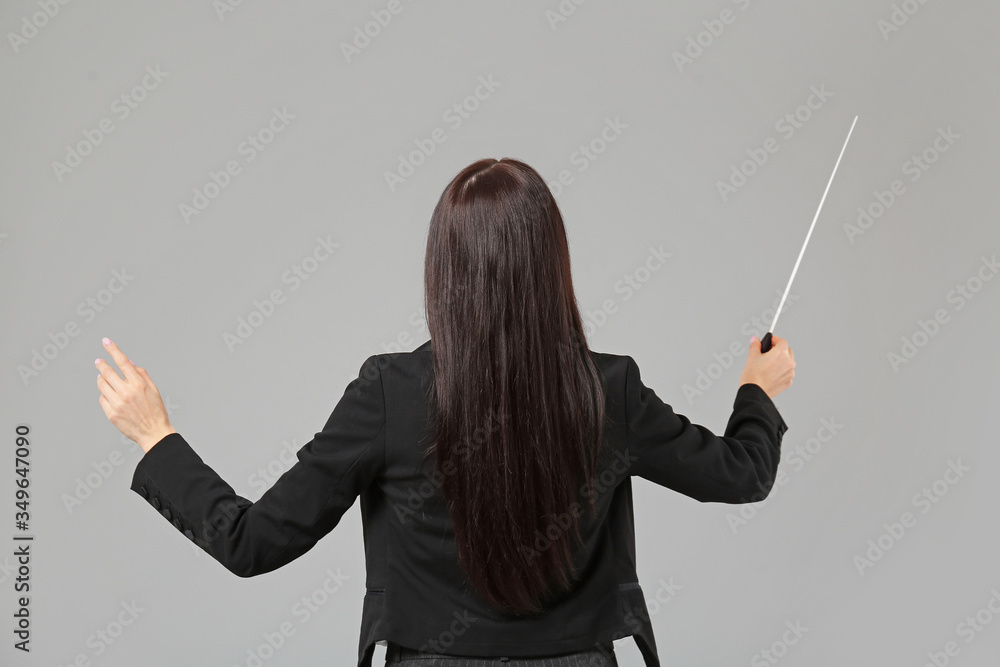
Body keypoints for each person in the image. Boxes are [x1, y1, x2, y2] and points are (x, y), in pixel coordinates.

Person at [95, 157, 794, 667]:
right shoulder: (607, 389)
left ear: (443, 269)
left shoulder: (390, 394)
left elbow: (252, 542)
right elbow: (742, 472)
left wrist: (158, 437)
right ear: (552, 263)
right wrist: (756, 391)